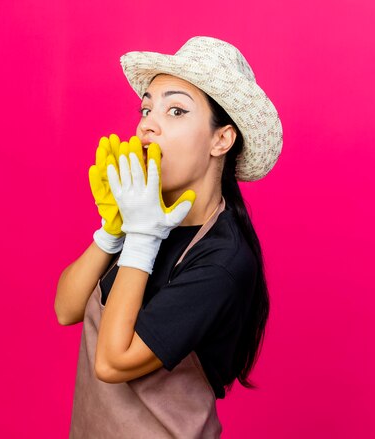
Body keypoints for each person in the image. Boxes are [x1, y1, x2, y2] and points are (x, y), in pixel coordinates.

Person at [54, 36, 283, 438]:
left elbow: (111, 363)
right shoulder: (145, 212)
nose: (147, 123)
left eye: (176, 110)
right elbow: (66, 309)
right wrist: (113, 228)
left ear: (221, 140)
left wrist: (141, 235)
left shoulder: (222, 261)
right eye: (147, 107)